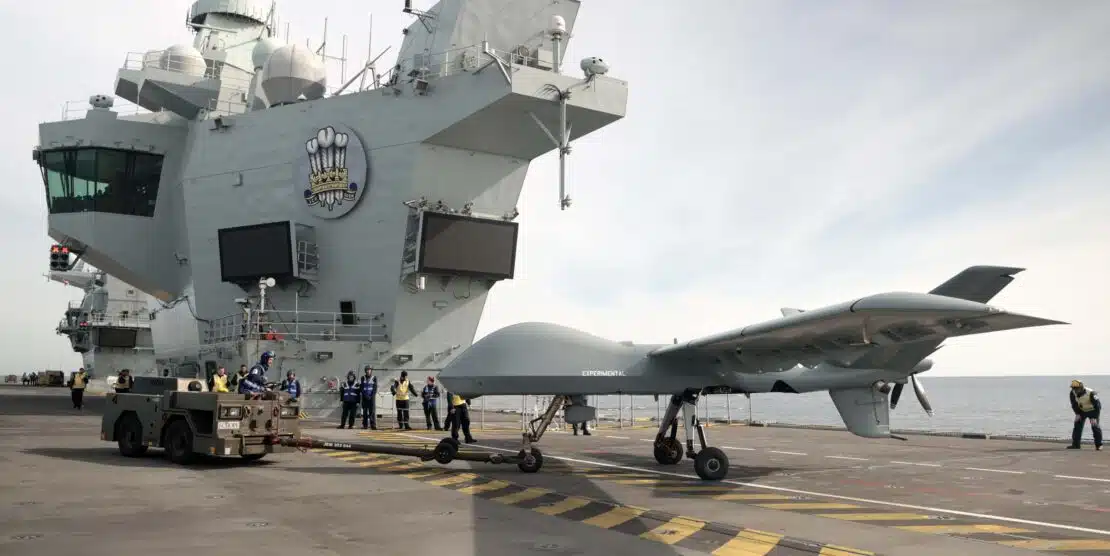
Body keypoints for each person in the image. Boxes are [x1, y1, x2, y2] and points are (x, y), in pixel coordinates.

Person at [1069, 379, 1102, 451]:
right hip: (1082, 411)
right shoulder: (1072, 393)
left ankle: (1099, 445)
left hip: (1093, 411)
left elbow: (1098, 406)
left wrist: (1095, 417)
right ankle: (1076, 445)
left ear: (1081, 388)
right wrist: (1077, 413)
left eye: (1077, 388)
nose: (1075, 390)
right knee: (1077, 426)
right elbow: (1074, 404)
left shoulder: (1091, 393)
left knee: (1095, 427)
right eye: (1074, 388)